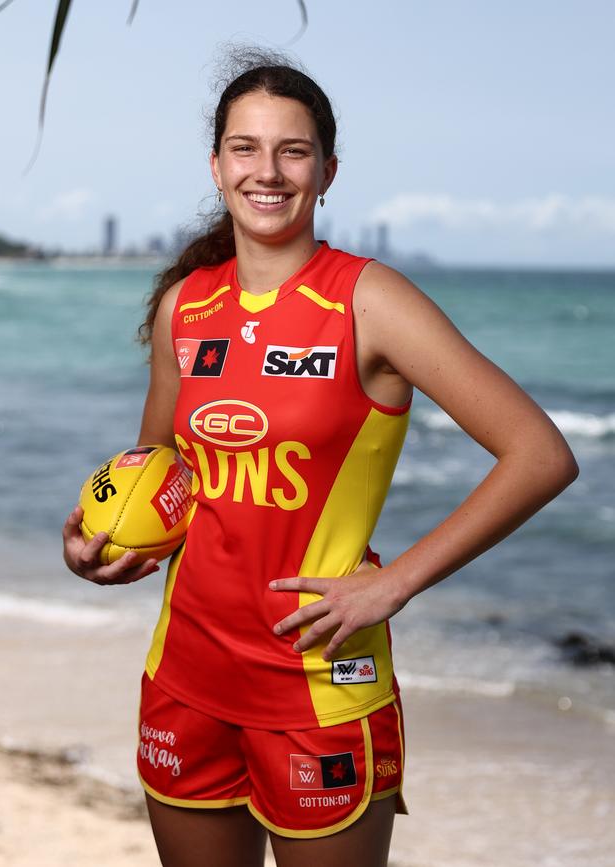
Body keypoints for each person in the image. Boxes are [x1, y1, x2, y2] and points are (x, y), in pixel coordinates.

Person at [62, 51, 579, 867]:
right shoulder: (184, 307)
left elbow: (540, 454)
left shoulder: (370, 300)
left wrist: (396, 580)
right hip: (185, 673)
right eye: (245, 147)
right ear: (216, 164)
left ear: (327, 170)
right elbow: (158, 462)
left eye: (292, 150)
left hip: (318, 685)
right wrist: (103, 529)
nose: (267, 171)